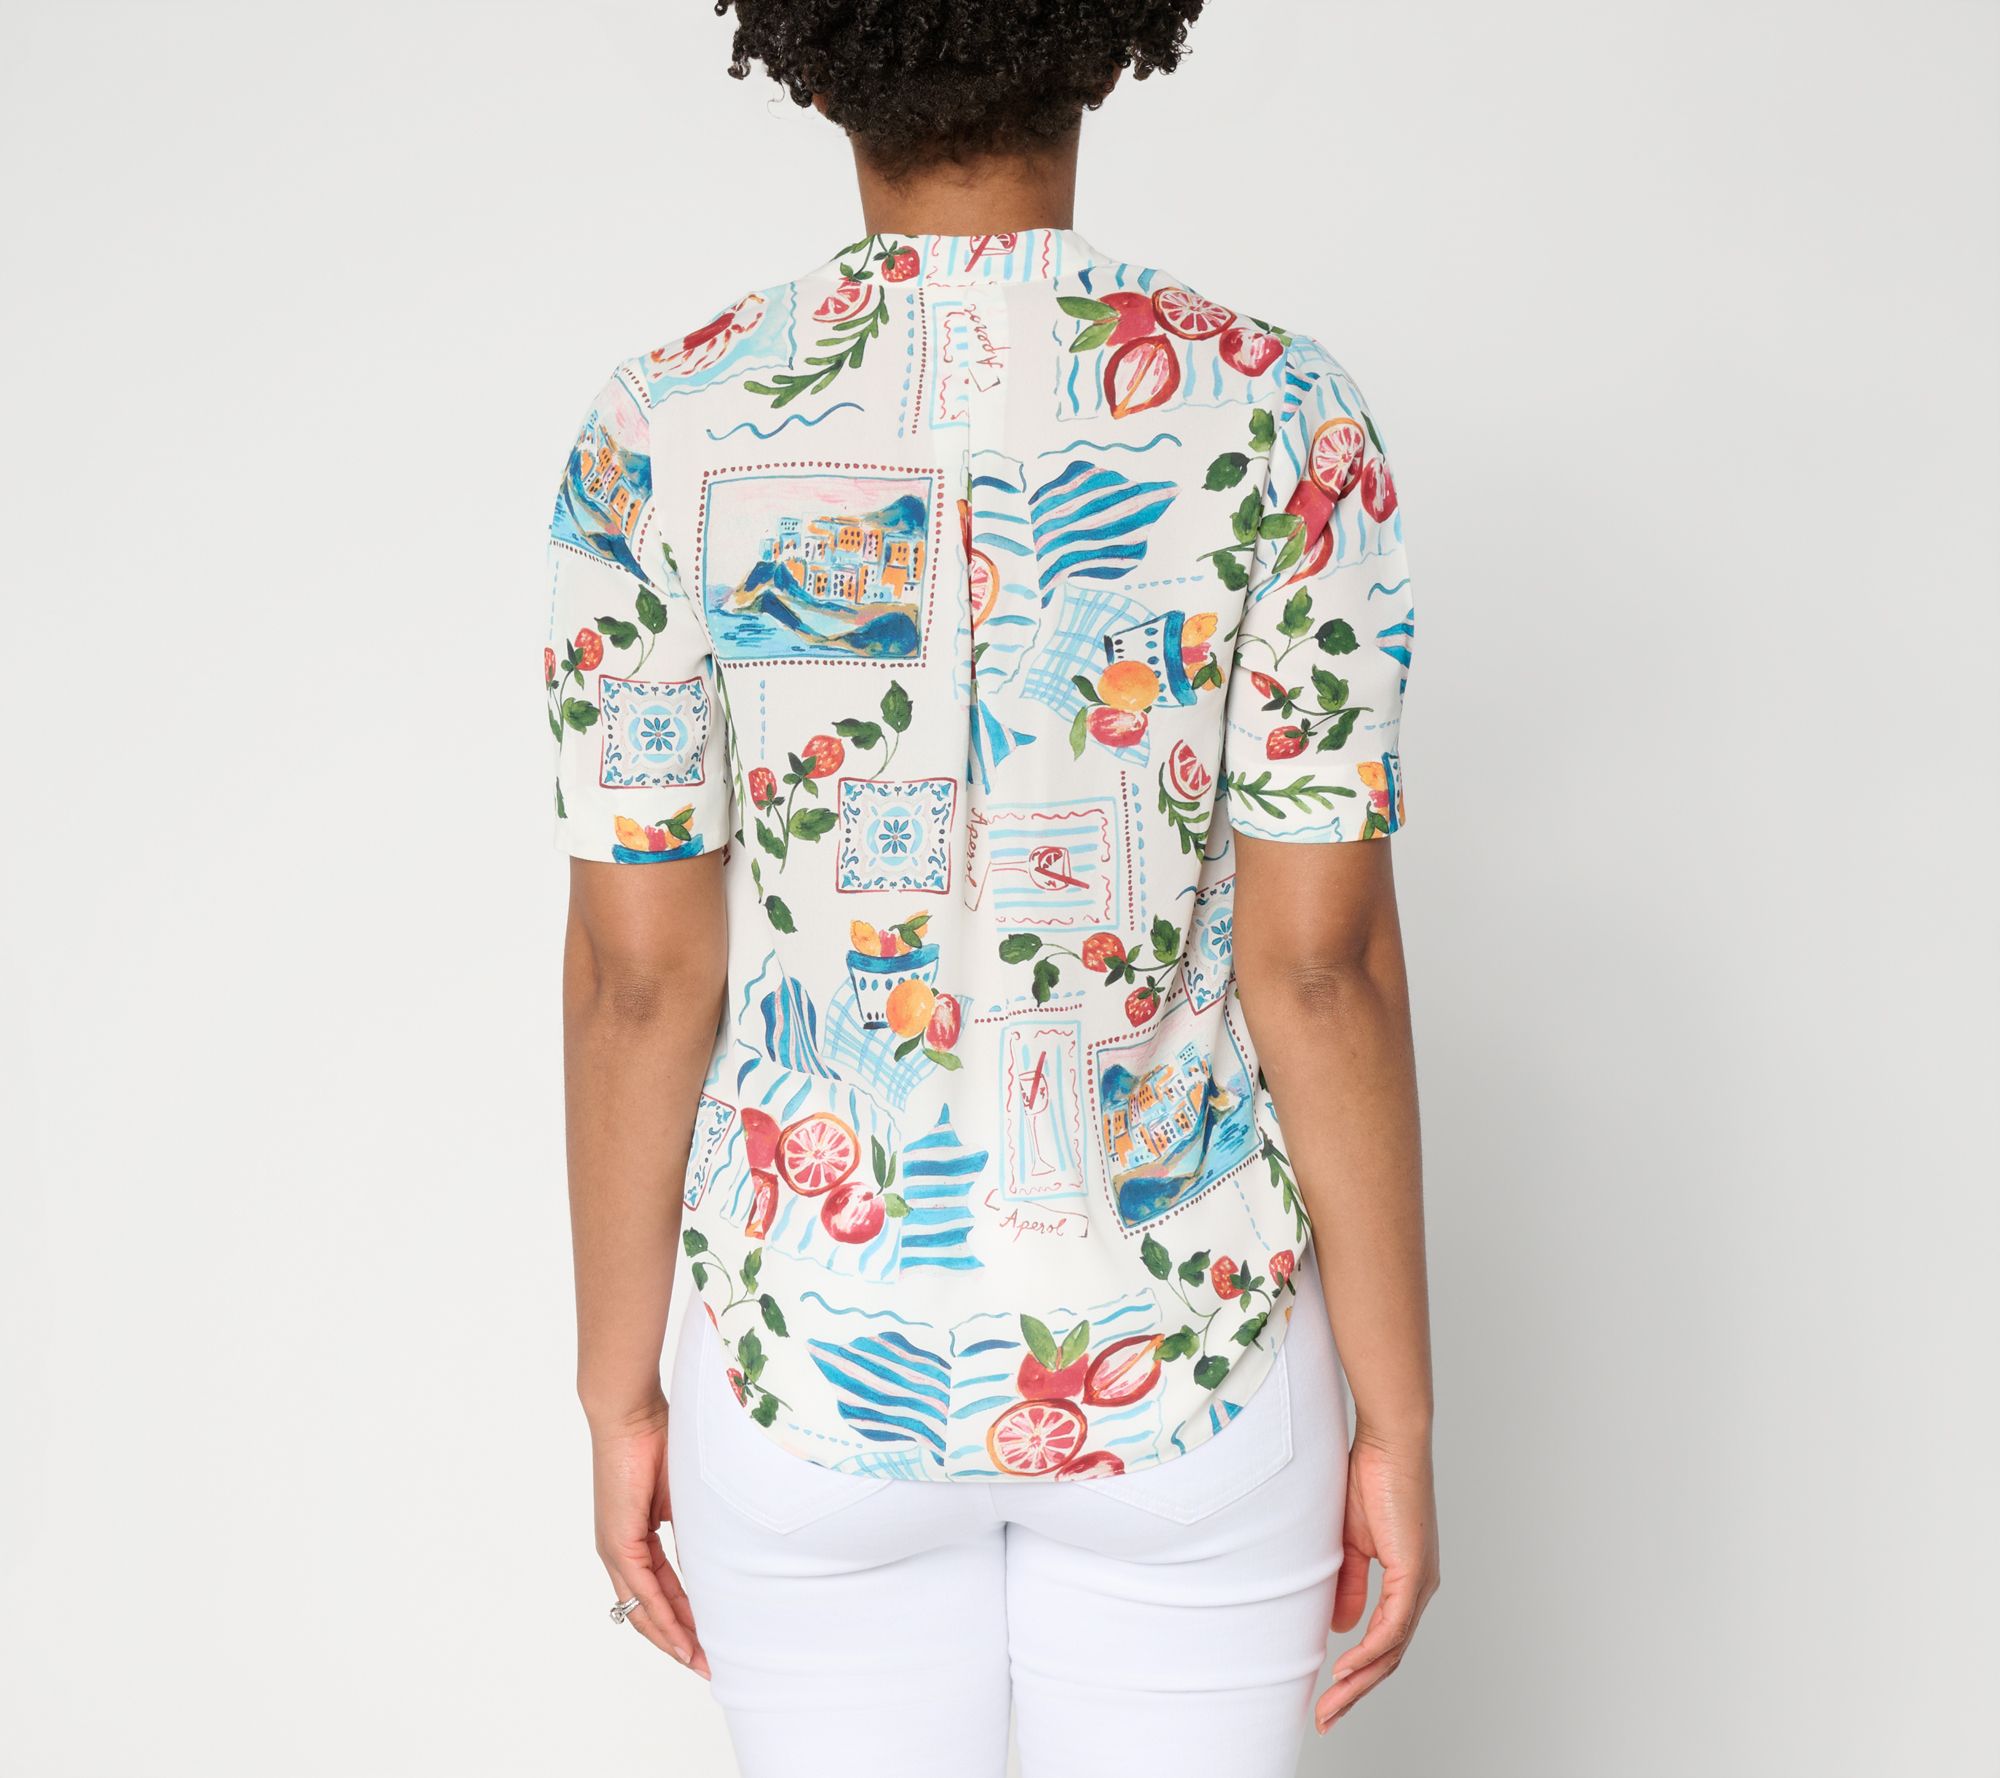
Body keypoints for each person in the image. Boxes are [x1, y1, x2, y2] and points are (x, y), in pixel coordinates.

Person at [549, 4, 1438, 1772]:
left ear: (810, 57)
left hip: (808, 1365)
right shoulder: (1281, 416)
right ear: (1105, 40)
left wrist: (620, 1387)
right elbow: (1321, 971)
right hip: (1193, 1365)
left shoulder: (663, 426)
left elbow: (640, 981)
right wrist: (1398, 1416)